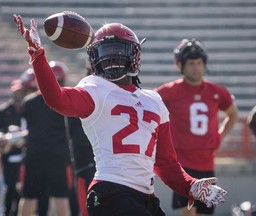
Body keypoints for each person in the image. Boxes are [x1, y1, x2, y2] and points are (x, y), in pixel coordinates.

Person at [13, 15, 228, 216]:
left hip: (145, 196)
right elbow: (56, 99)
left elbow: (166, 164)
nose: (111, 59)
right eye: (104, 54)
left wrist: (190, 185)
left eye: (117, 51)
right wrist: (38, 56)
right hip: (110, 191)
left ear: (135, 55)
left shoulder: (154, 100)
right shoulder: (95, 89)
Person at [154, 38, 239, 216]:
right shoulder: (169, 91)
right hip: (182, 163)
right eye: (191, 63)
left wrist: (219, 137)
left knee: (203, 213)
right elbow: (148, 108)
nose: (196, 67)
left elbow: (233, 114)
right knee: (188, 212)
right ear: (181, 65)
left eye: (199, 63)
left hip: (206, 161)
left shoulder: (216, 91)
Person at [17, 63, 74, 216]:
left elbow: (24, 128)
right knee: (61, 197)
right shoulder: (66, 99)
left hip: (34, 154)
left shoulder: (29, 102)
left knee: (28, 197)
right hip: (59, 155)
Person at [0, 79, 26, 216]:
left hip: (25, 154)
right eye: (16, 92)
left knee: (22, 188)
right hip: (8, 154)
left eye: (20, 92)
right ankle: (8, 212)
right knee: (10, 187)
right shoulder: (4, 110)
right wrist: (5, 138)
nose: (18, 95)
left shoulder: (28, 109)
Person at [66, 64, 96, 216]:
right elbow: (76, 136)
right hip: (87, 166)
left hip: (112, 168)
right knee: (86, 211)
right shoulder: (79, 97)